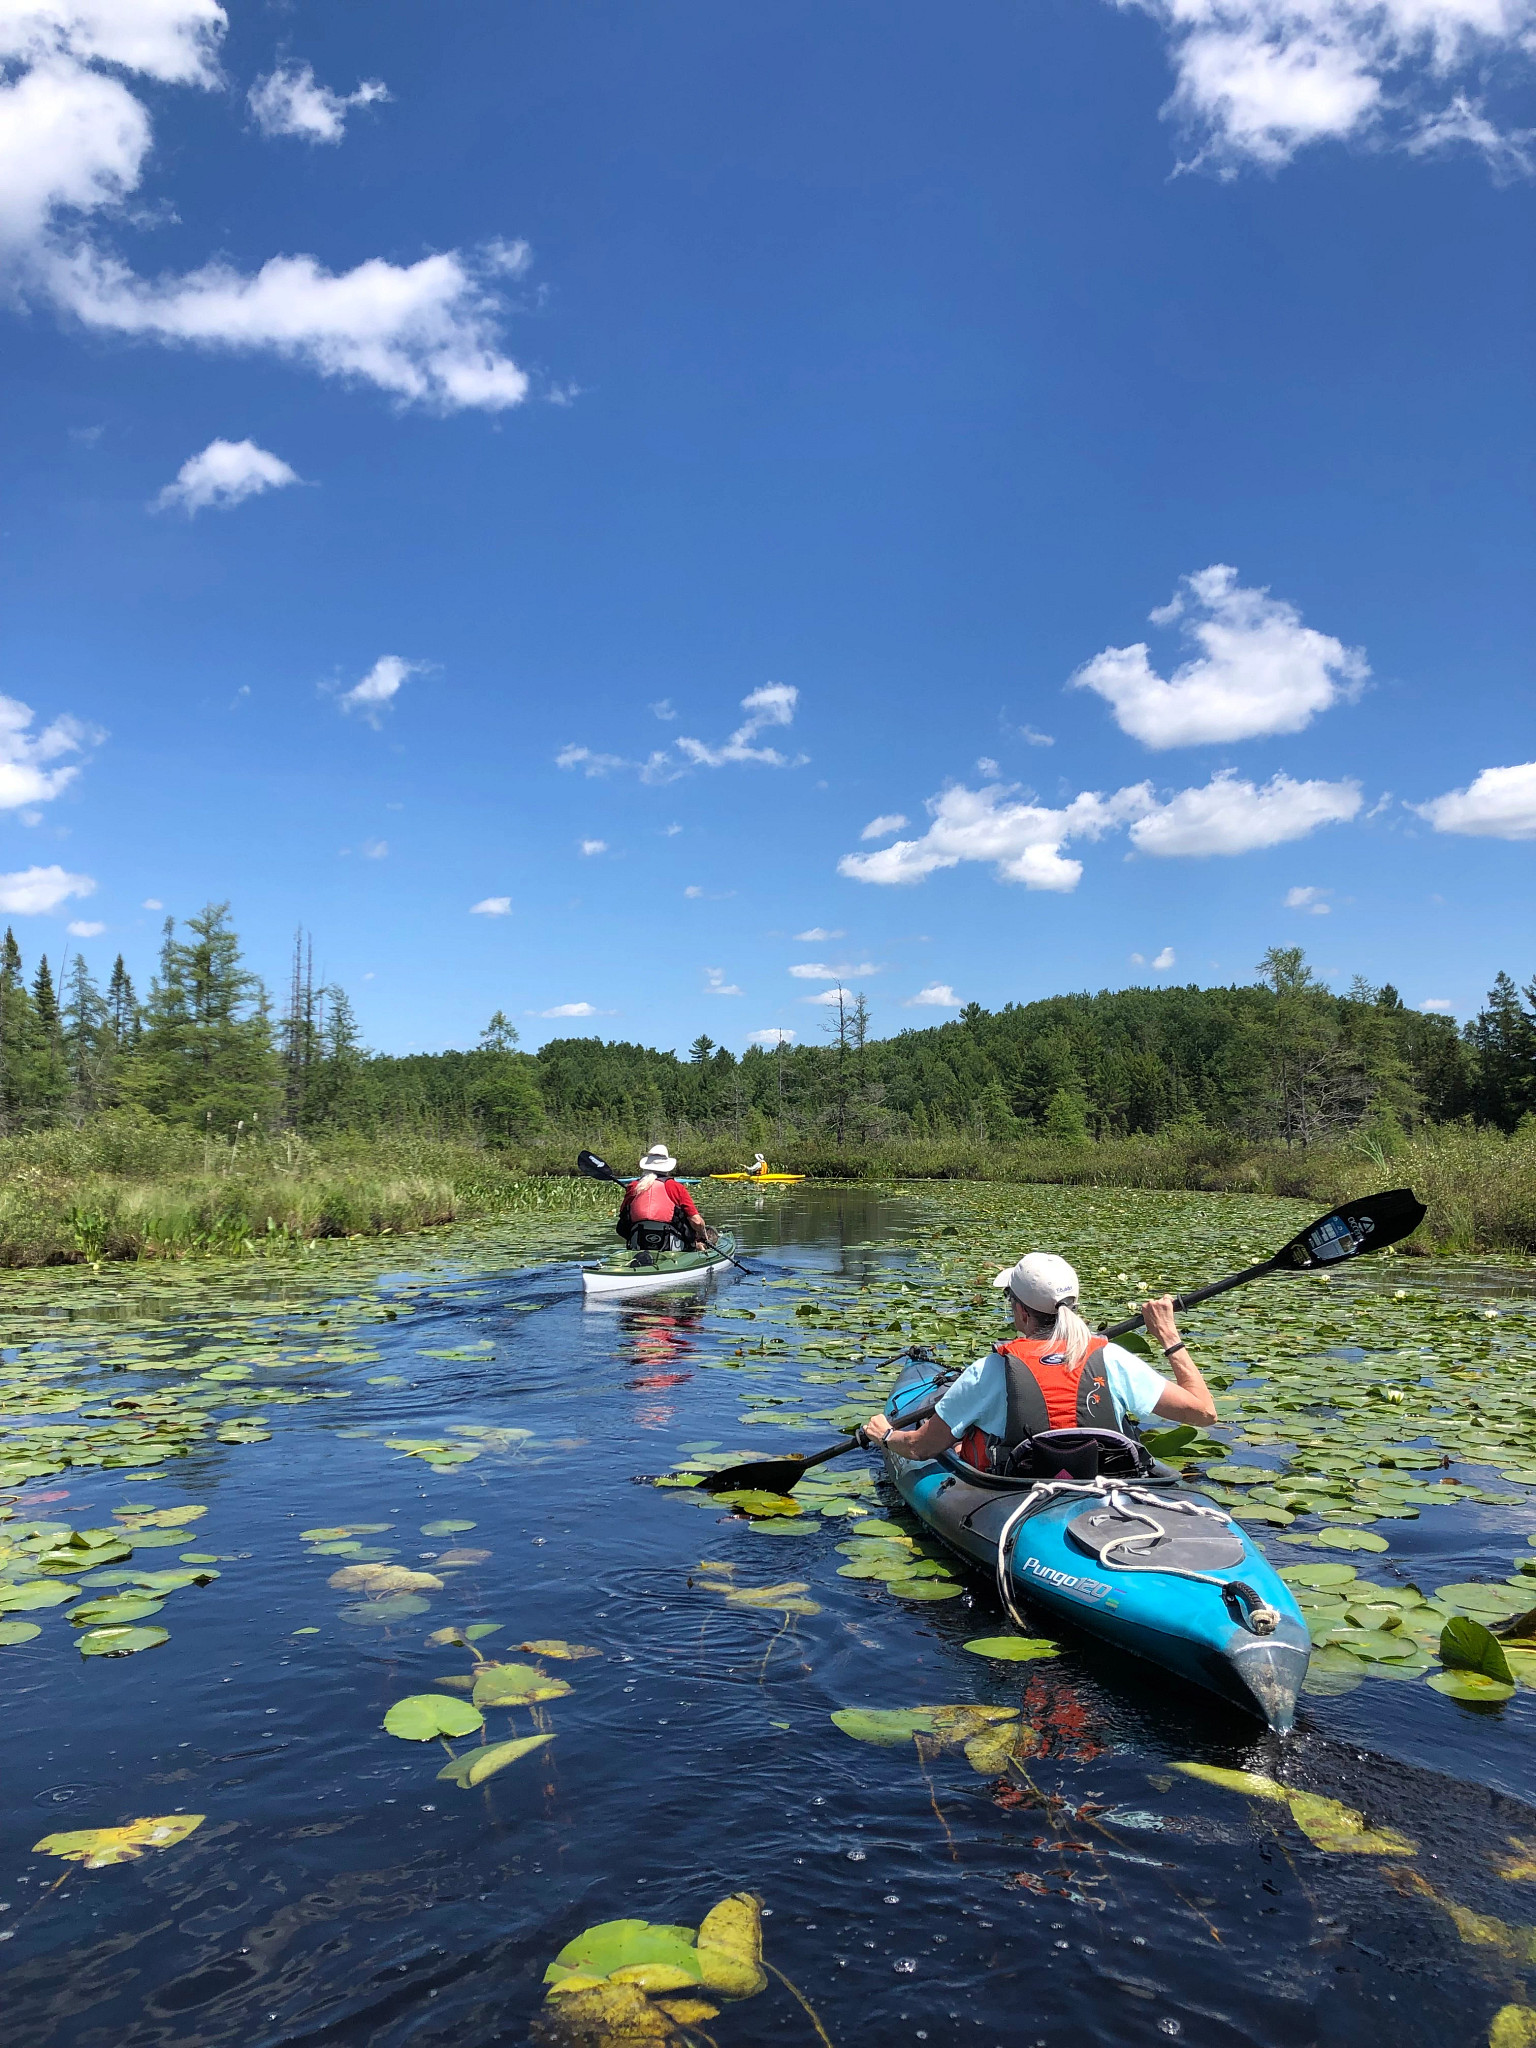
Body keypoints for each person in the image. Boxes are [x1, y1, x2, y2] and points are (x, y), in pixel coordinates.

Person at [862, 1250, 1217, 1473]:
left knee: (964, 1441)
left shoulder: (990, 1371)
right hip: (1105, 1488)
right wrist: (1169, 1338)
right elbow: (1204, 1413)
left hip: (1016, 1494)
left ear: (1020, 1311)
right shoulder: (1112, 1359)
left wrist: (886, 1434)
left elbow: (920, 1447)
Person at [615, 1144, 710, 1252]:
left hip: (638, 1243)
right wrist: (702, 1234)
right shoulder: (675, 1187)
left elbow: (623, 1214)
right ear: (667, 1168)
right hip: (672, 1247)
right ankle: (696, 1246)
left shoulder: (633, 1187)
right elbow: (696, 1221)